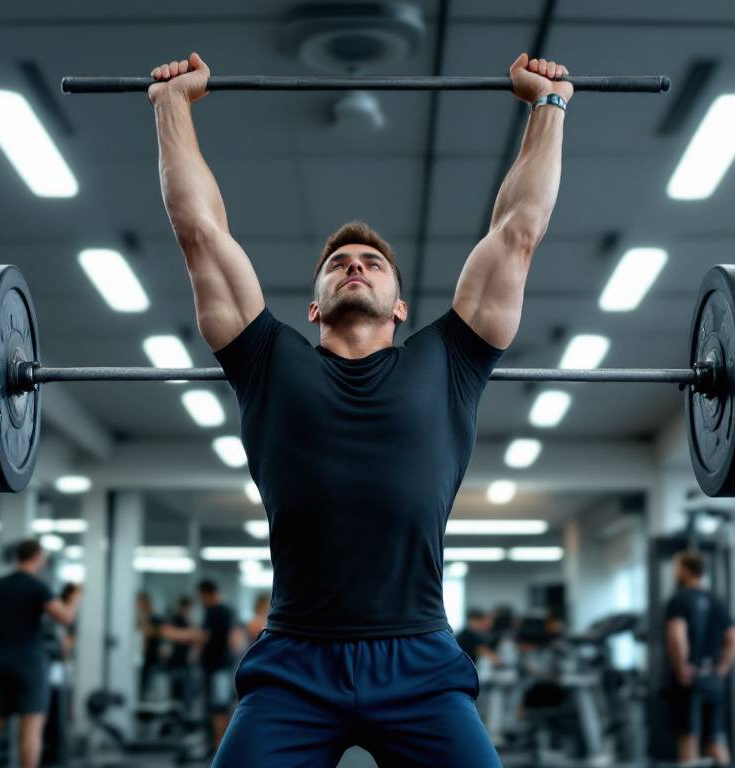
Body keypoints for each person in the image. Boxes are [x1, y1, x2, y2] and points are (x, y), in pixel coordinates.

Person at [148, 48, 571, 765]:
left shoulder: (451, 360)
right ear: (313, 307)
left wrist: (548, 105)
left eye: (373, 263)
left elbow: (517, 232)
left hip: (421, 661)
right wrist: (171, 105)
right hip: (294, 664)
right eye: (339, 263)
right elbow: (201, 233)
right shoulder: (266, 360)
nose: (355, 265)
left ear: (401, 306)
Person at [0, 539, 82, 768]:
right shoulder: (37, 586)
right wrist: (75, 597)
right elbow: (66, 617)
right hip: (29, 661)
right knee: (31, 727)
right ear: (38, 557)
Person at [663, 551, 735, 766]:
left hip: (689, 677)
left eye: (677, 568)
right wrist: (722, 668)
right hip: (712, 678)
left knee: (688, 738)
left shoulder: (679, 599)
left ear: (686, 570)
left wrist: (681, 667)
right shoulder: (716, 600)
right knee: (715, 738)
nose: (675, 572)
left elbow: (677, 636)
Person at [159, 579, 243, 753]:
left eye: (200, 596)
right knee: (216, 707)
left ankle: (221, 748)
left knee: (218, 708)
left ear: (206, 594)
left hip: (218, 668)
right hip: (216, 668)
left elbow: (202, 636)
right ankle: (217, 746)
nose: (200, 600)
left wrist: (173, 633)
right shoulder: (222, 611)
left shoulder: (217, 610)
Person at [137, 591, 164, 700]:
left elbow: (159, 632)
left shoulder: (155, 618)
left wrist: (146, 629)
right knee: (141, 684)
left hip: (152, 657)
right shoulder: (140, 618)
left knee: (149, 685)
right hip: (142, 657)